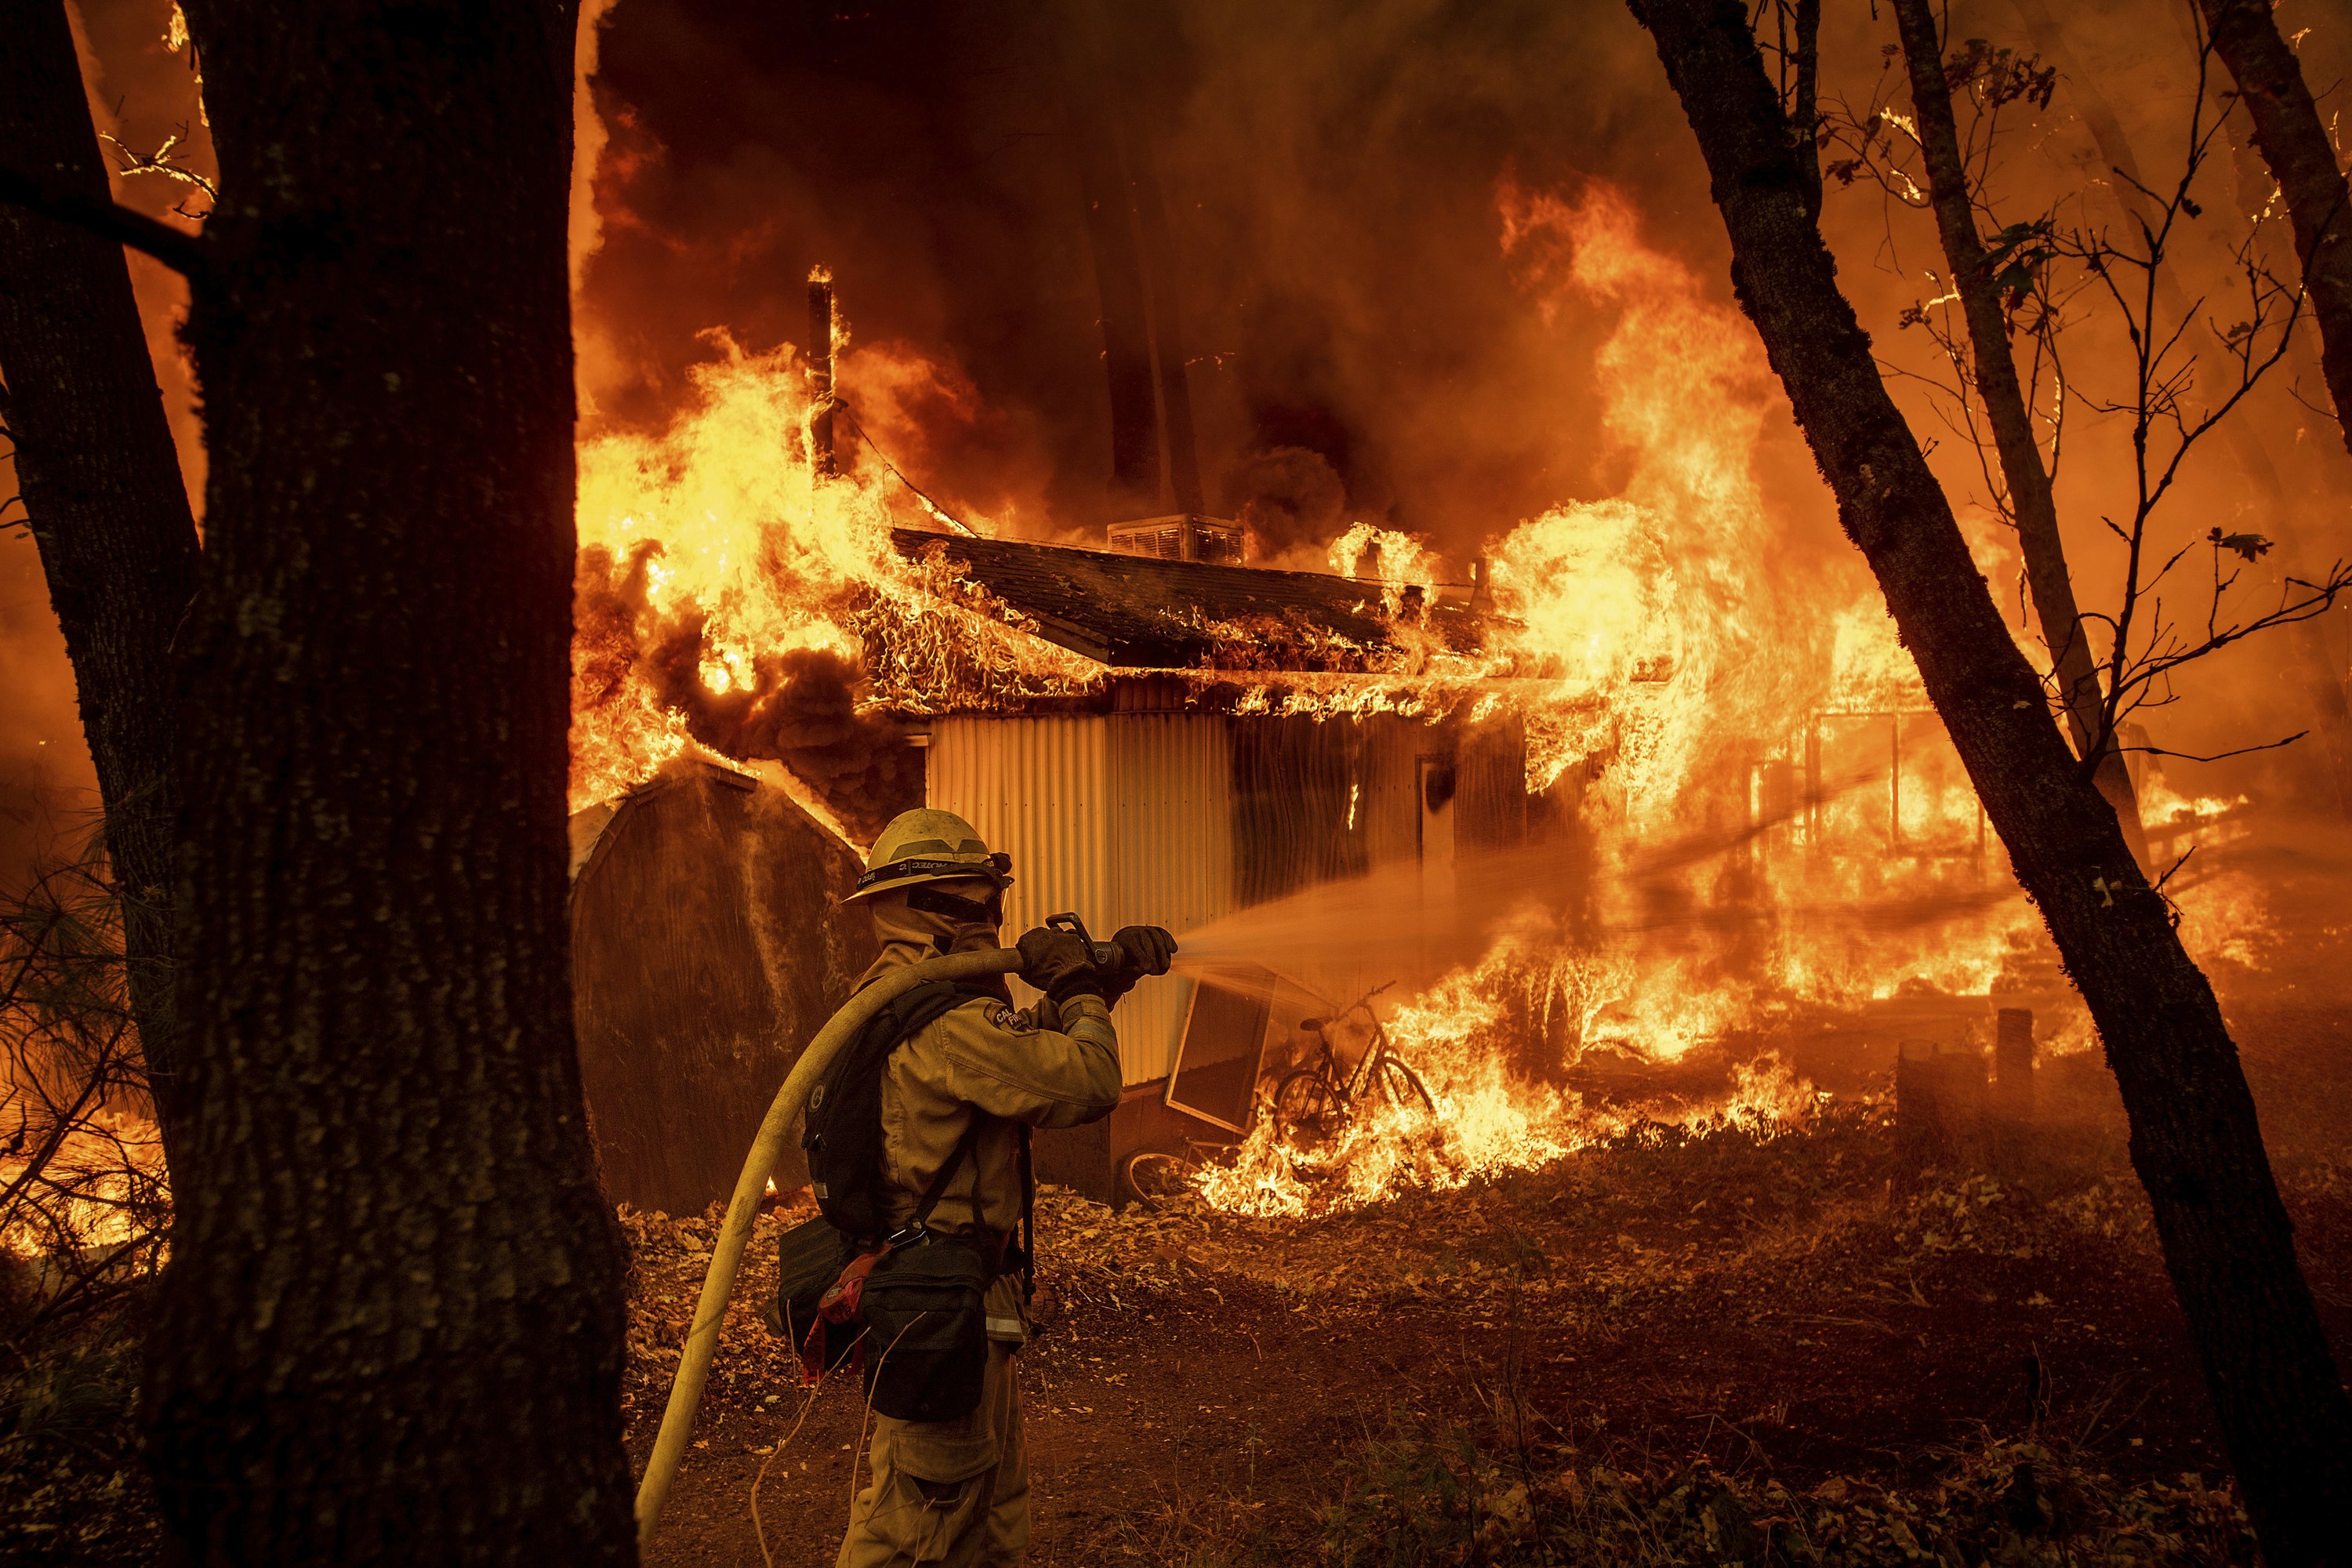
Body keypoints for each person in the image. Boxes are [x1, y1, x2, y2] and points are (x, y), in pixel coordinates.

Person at [833, 808, 1175, 1568]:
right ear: (943, 906)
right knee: (916, 1527)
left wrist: (1102, 985)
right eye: (985, 900)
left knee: (987, 1515)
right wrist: (1078, 988)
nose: (997, 919)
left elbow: (1013, 1055)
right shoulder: (941, 1019)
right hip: (943, 1297)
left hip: (959, 1295)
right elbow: (1087, 1080)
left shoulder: (917, 1001)